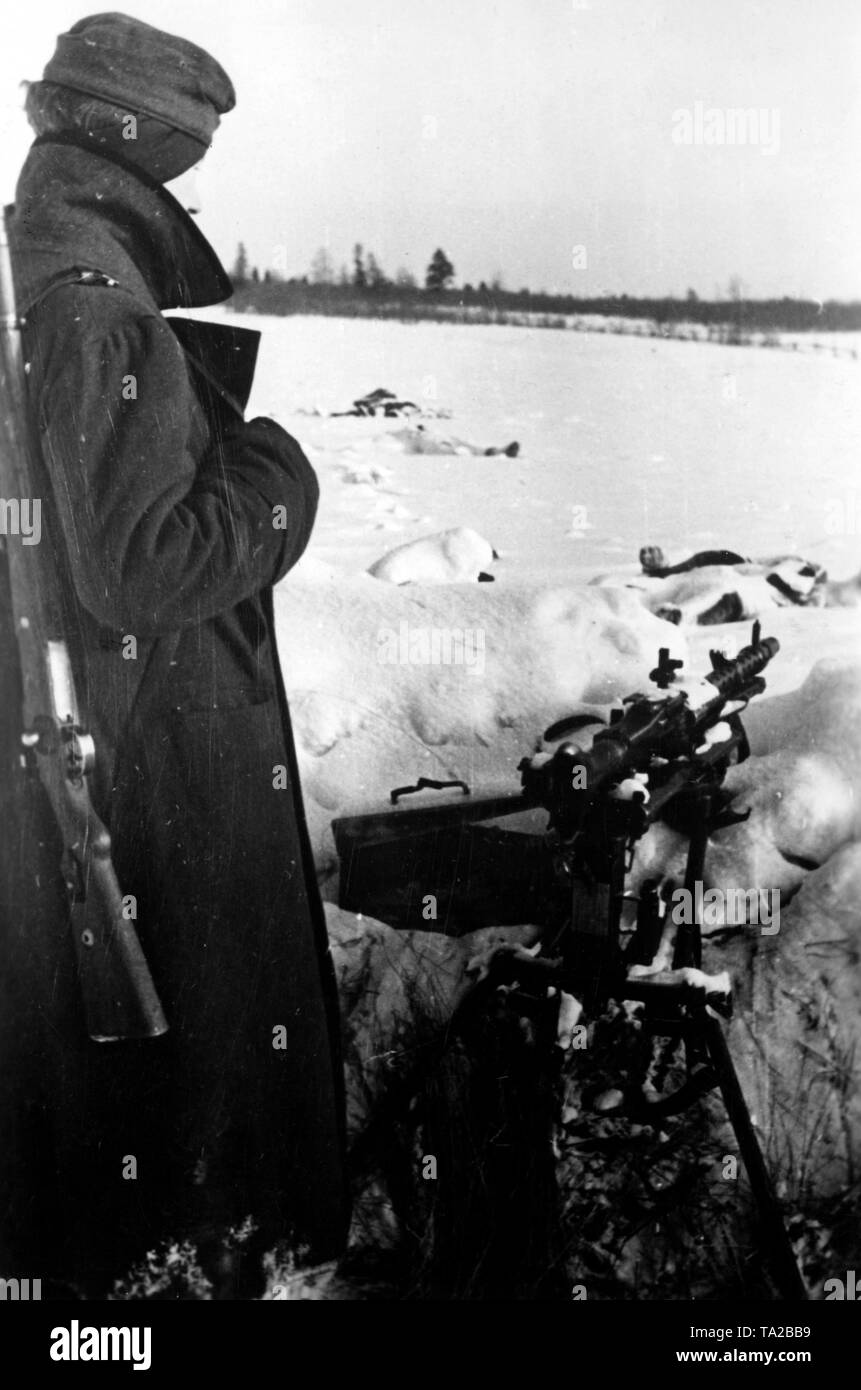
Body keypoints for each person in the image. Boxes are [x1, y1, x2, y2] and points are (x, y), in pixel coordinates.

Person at [0, 14, 349, 1297]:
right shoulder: (94, 304)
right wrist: (278, 480)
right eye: (181, 162)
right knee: (185, 1094)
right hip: (156, 759)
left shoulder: (57, 266)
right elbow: (141, 565)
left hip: (127, 738)